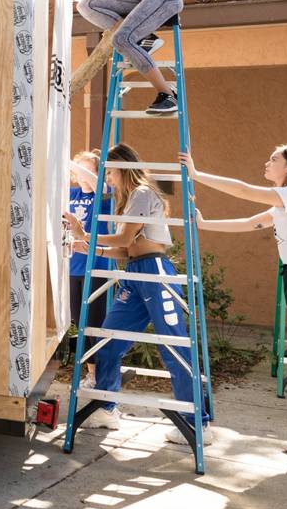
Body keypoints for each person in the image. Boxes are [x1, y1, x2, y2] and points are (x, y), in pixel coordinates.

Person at [180, 146, 287, 462]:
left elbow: (244, 191)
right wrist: (204, 224)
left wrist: (196, 173)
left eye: (274, 159)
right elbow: (251, 223)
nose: (266, 162)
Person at [62, 143, 213, 444]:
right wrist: (89, 246)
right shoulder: (127, 198)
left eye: (110, 171)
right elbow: (122, 248)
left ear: (121, 168)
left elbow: (126, 237)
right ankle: (106, 409)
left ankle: (198, 423)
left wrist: (85, 236)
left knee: (173, 345)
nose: (108, 178)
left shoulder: (142, 192)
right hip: (133, 274)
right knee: (107, 341)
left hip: (154, 273)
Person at [67, 150, 115, 350]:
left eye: (89, 171)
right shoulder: (70, 193)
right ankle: (92, 372)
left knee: (96, 323)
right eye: (80, 172)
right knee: (80, 324)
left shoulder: (105, 195)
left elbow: (101, 187)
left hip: (97, 266)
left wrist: (71, 163)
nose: (83, 176)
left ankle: (99, 374)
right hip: (72, 266)